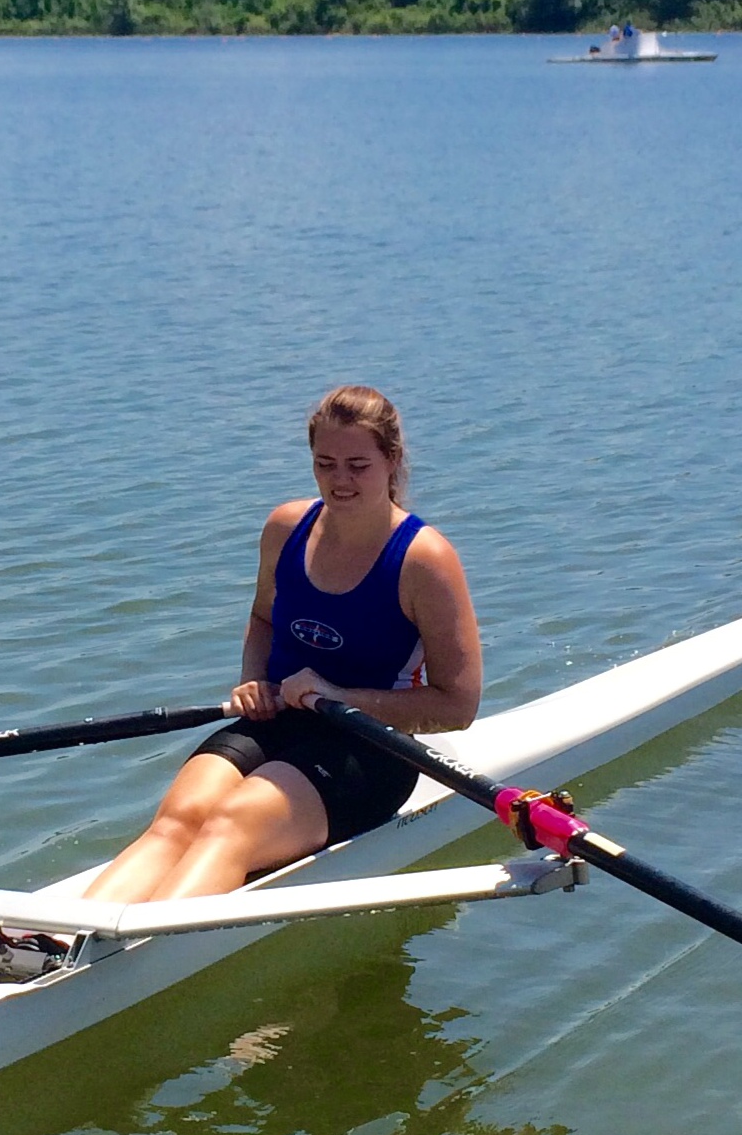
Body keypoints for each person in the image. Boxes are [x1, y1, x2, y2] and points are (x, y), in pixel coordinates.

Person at [84, 385, 482, 904]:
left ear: (392, 461)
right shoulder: (285, 527)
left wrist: (338, 695)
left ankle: (132, 956)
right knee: (179, 819)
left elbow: (458, 704)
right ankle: (47, 943)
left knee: (233, 821)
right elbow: (262, 618)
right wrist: (254, 681)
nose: (340, 480)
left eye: (358, 465)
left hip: (372, 746)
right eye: (325, 463)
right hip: (282, 723)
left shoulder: (424, 560)